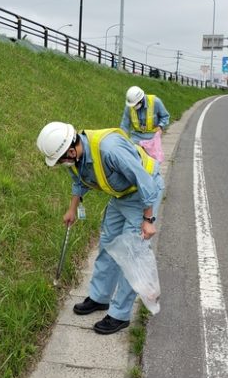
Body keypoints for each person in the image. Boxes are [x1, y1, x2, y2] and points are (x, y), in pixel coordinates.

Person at [36, 122, 165, 335]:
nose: (62, 164)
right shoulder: (76, 157)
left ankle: (120, 314)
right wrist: (72, 209)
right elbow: (79, 181)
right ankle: (100, 297)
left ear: (70, 151)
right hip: (120, 196)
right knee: (108, 244)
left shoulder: (110, 149)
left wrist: (148, 219)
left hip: (143, 195)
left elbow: (144, 180)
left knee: (131, 254)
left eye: (61, 160)